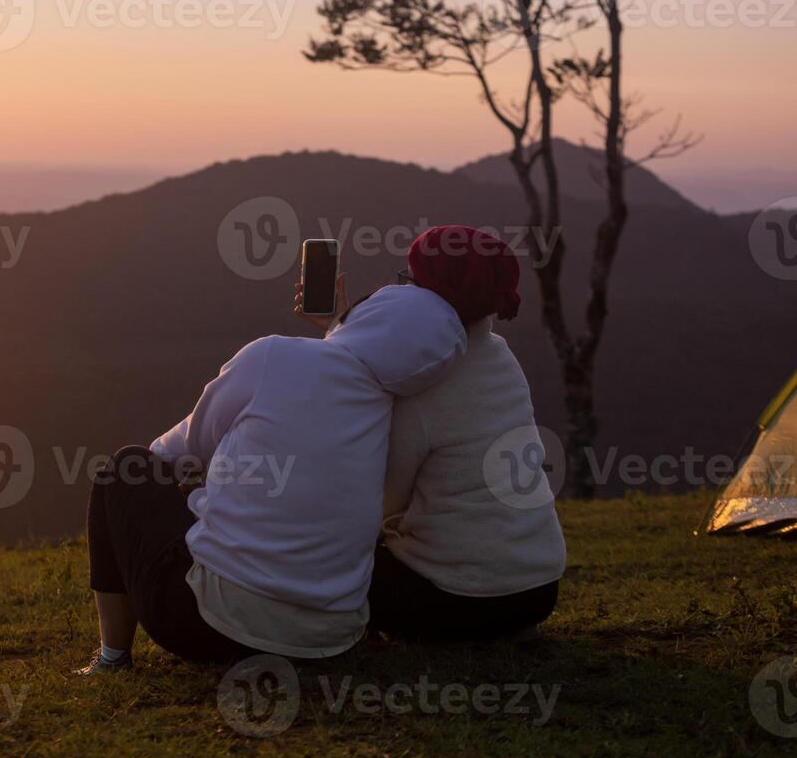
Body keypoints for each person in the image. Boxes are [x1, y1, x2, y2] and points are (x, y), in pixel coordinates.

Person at [77, 282, 468, 674]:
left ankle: (112, 658)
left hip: (206, 627)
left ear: (368, 316)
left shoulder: (274, 356)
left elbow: (185, 446)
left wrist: (154, 486)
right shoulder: (393, 410)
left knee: (125, 468)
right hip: (329, 643)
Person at [369, 225, 567, 640]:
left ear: (429, 298)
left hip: (459, 598)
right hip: (538, 589)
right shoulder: (500, 357)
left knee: (322, 552)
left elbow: (383, 498)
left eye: (408, 280)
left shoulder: (423, 381)